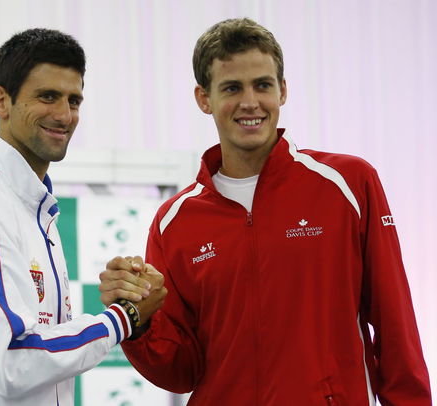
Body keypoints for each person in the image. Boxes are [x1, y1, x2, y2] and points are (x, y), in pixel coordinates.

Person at [99, 18, 431, 405]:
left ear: (283, 90)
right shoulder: (174, 222)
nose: (250, 102)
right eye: (231, 88)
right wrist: (137, 323)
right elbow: (181, 370)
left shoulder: (349, 184)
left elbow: (395, 324)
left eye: (262, 85)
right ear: (203, 98)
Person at [0, 28, 165, 406]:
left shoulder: (33, 211)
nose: (64, 115)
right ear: (0, 102)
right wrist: (123, 318)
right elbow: (14, 362)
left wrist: (124, 298)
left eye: (74, 100)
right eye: (47, 97)